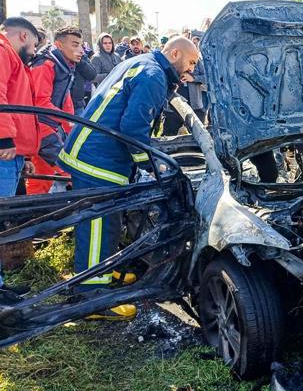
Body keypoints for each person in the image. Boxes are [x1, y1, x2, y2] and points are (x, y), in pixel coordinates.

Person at [58, 36, 200, 319]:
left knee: (107, 222)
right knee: (99, 224)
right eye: (191, 62)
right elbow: (132, 127)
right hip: (97, 159)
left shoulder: (141, 63)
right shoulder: (154, 75)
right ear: (175, 53)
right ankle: (91, 297)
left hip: (94, 151)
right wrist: (154, 166)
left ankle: (104, 272)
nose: (192, 70)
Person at [0, 17, 40, 301]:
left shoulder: (12, 58)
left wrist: (24, 153)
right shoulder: (3, 52)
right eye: (35, 44)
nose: (35, 51)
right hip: (4, 151)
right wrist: (3, 138)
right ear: (24, 35)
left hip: (13, 153)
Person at [28, 25, 84, 195]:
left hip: (48, 126)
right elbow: (39, 103)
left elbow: (65, 101)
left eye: (81, 45)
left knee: (42, 177)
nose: (81, 50)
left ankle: (33, 215)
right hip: (40, 126)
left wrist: (72, 127)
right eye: (75, 45)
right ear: (59, 45)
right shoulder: (45, 65)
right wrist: (68, 121)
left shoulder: (63, 65)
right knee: (70, 169)